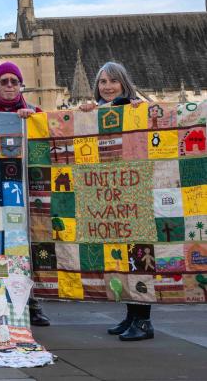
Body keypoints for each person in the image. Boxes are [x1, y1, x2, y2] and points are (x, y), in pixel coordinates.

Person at [0, 62, 50, 326]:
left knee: (25, 246)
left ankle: (30, 304)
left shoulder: (33, 114)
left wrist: (35, 121)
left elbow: (53, 135)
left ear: (20, 85)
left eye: (14, 81)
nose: (9, 86)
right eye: (3, 81)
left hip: (23, 190)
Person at [80, 62, 152, 341]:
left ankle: (144, 321)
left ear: (124, 83)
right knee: (122, 259)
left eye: (113, 81)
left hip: (134, 189)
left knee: (139, 256)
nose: (107, 86)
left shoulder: (135, 107)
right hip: (109, 191)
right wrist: (84, 113)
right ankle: (132, 315)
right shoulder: (97, 111)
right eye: (102, 82)